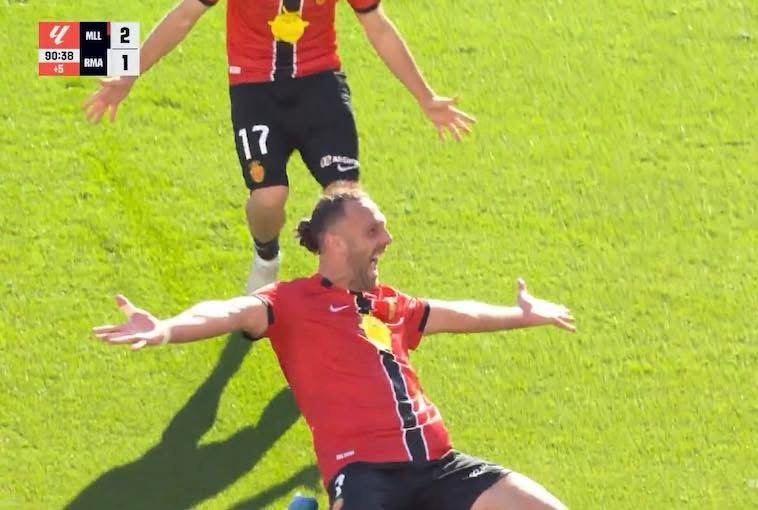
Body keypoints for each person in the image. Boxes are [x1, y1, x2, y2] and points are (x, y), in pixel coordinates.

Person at [93, 189, 573, 510]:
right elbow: (230, 312)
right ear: (334, 243)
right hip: (365, 475)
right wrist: (166, 328)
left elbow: (458, 314)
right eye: (373, 231)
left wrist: (522, 315)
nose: (387, 239)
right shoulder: (290, 302)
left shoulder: (390, 305)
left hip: (439, 466)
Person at [83, 0, 476, 293]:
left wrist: (425, 97)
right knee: (269, 198)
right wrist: (128, 74)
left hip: (319, 85)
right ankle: (266, 256)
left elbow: (379, 28)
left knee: (348, 200)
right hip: (255, 90)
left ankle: (354, 296)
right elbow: (185, 15)